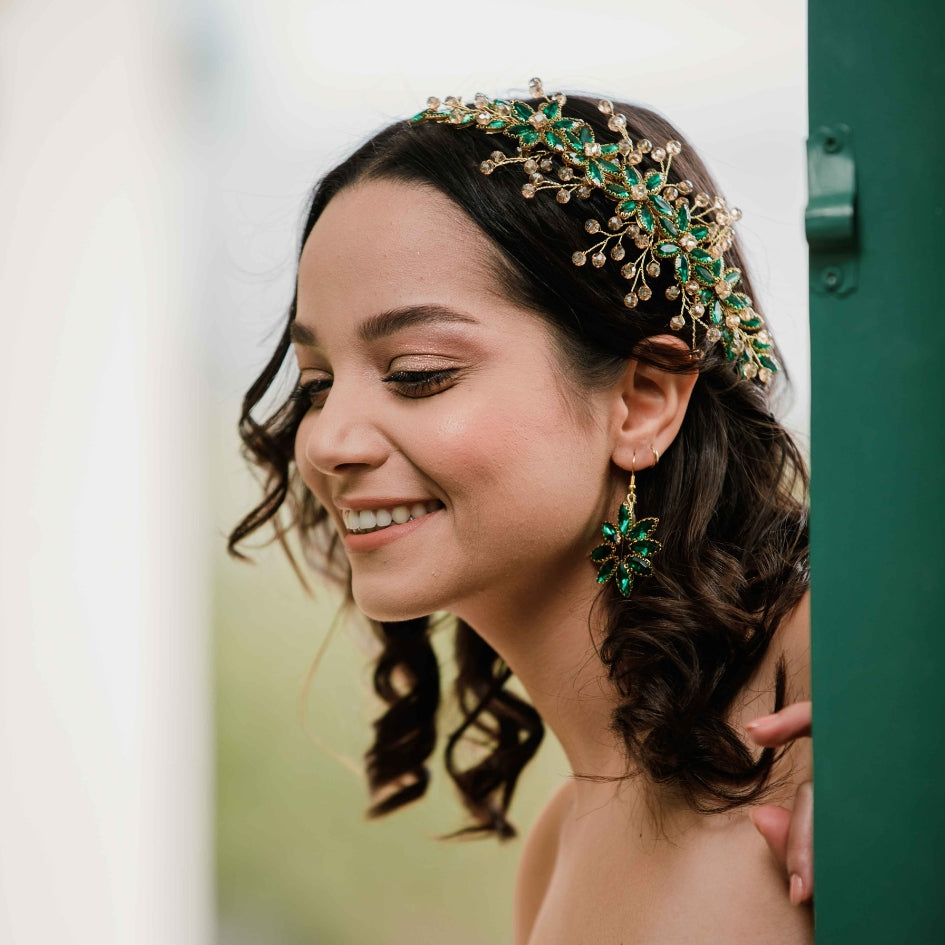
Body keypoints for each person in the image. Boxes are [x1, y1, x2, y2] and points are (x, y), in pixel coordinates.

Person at [228, 78, 813, 943]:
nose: (326, 441)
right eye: (316, 384)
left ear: (642, 400)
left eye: (418, 371)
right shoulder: (556, 848)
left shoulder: (831, 687)